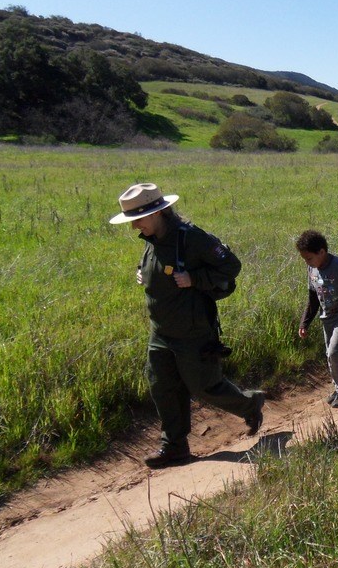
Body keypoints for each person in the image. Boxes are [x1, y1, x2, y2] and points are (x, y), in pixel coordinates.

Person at [109, 183, 265, 469]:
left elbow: (231, 266)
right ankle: (175, 448)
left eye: (138, 220)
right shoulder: (152, 238)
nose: (134, 228)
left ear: (158, 213)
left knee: (205, 387)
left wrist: (194, 279)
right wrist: (143, 272)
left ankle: (251, 404)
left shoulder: (193, 238)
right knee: (163, 387)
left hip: (193, 332)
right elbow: (161, 265)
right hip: (161, 332)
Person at [296, 230, 338, 409]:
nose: (307, 262)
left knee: (334, 352)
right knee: (330, 355)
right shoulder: (312, 267)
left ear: (322, 252)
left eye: (309, 258)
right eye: (305, 259)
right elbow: (313, 296)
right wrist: (305, 322)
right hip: (327, 317)